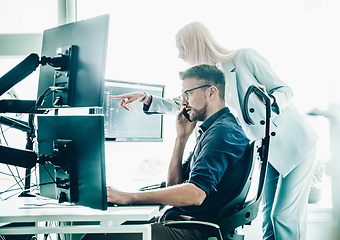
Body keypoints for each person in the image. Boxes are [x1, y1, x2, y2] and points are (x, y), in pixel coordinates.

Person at [112, 22, 318, 240]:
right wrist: (145, 98)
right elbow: (182, 103)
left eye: (182, 49)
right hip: (269, 152)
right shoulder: (211, 81)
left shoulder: (243, 58)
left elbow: (285, 89)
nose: (181, 56)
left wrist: (271, 101)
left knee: (283, 217)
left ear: (195, 43)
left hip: (295, 144)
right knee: (268, 219)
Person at [82, 64, 251, 240]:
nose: (184, 102)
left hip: (194, 230)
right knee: (104, 232)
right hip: (183, 223)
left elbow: (195, 194)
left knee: (98, 237)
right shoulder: (213, 129)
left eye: (188, 94)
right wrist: (181, 138)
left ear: (211, 92)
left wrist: (127, 197)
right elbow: (174, 185)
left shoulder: (222, 133)